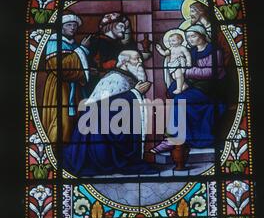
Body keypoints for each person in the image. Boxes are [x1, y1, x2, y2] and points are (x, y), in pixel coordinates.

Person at [63, 50, 155, 176]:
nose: (140, 62)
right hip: (97, 132)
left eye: (140, 59)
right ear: (124, 62)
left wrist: (135, 93)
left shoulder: (126, 76)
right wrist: (134, 93)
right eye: (136, 59)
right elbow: (103, 108)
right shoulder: (115, 79)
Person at [150, 24, 226, 160]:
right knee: (174, 95)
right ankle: (178, 136)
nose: (190, 39)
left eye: (193, 36)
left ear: (202, 35)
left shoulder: (214, 52)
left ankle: (172, 138)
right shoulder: (191, 51)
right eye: (188, 37)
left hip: (210, 90)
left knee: (179, 100)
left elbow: (210, 72)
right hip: (194, 87)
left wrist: (187, 71)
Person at [42, 14, 90, 142]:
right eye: (69, 25)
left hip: (75, 91)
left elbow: (77, 69)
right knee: (61, 121)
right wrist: (83, 49)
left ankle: (71, 155)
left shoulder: (73, 45)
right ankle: (55, 153)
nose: (73, 28)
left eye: (75, 25)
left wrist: (89, 72)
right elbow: (60, 68)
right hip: (60, 88)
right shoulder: (54, 42)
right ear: (61, 28)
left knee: (75, 122)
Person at [156, 29, 191, 94]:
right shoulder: (171, 48)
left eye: (173, 41)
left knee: (178, 76)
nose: (171, 43)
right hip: (172, 65)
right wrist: (160, 49)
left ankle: (179, 89)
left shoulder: (182, 48)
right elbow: (165, 53)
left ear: (180, 41)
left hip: (179, 64)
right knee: (174, 77)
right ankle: (184, 85)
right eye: (170, 41)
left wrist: (188, 62)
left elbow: (187, 55)